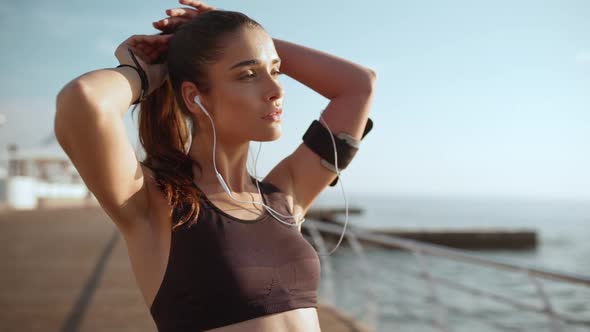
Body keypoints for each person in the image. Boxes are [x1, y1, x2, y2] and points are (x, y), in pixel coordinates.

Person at [54, 0, 375, 331]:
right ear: (195, 97)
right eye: (248, 75)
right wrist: (141, 74)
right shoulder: (156, 203)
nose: (277, 89)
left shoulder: (285, 198)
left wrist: (246, 37)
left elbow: (359, 85)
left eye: (276, 71)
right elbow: (84, 101)